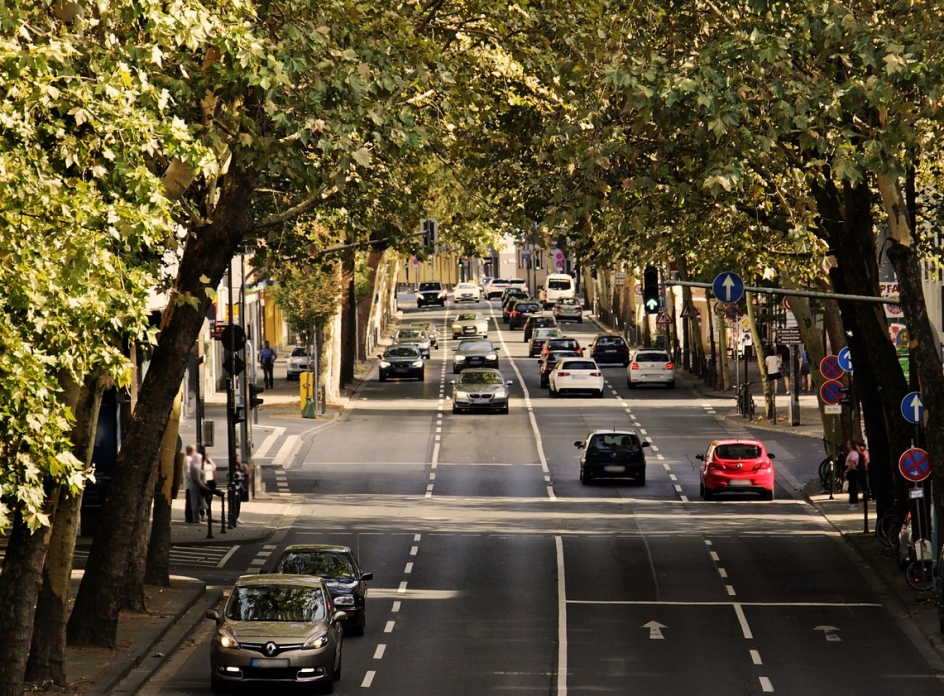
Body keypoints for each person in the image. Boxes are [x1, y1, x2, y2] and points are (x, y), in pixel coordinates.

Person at [185, 445, 209, 523]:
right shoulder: (194, 467)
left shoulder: (197, 466)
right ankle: (195, 519)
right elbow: (196, 479)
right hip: (195, 487)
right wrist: (204, 487)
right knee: (195, 503)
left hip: (198, 487)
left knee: (199, 503)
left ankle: (197, 518)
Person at [844, 440, 860, 509]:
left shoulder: (854, 453)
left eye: (848, 444)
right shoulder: (851, 452)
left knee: (852, 487)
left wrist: (847, 471)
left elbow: (852, 463)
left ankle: (853, 503)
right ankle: (851, 502)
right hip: (851, 471)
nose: (847, 445)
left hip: (852, 471)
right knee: (851, 487)